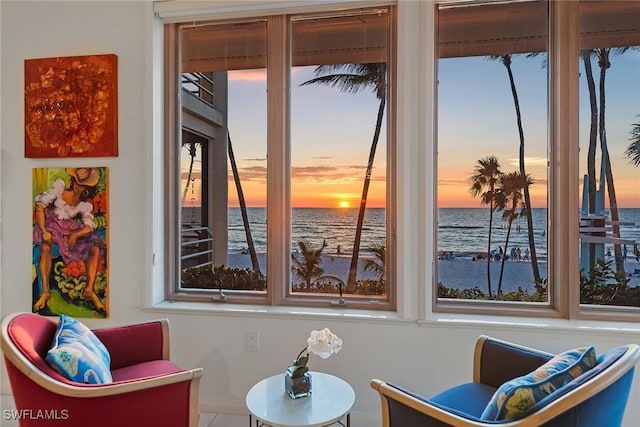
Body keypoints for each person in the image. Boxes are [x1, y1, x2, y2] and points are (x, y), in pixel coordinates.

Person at [33, 168, 106, 313]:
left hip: (70, 230)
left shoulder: (85, 205)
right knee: (46, 246)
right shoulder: (59, 188)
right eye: (76, 182)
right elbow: (40, 207)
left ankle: (89, 289)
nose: (77, 187)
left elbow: (88, 225)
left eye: (82, 185)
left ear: (87, 188)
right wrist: (44, 231)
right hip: (52, 226)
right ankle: (45, 292)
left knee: (94, 248)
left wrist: (75, 236)